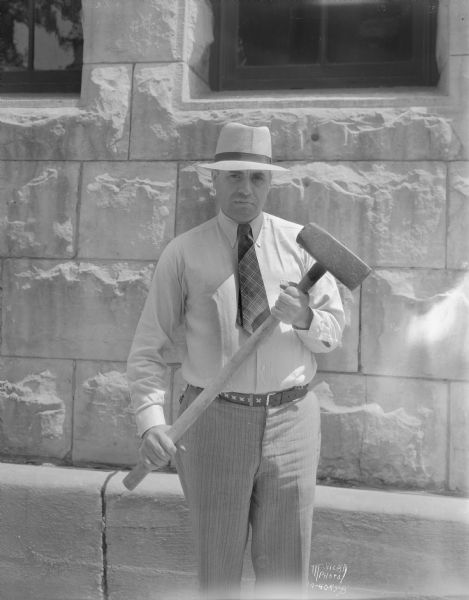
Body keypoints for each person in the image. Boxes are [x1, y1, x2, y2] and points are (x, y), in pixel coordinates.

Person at [127, 122, 345, 598]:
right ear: (214, 180)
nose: (246, 189)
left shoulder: (303, 248)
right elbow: (148, 348)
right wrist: (150, 422)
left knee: (287, 568)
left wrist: (306, 316)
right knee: (218, 569)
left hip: (293, 422)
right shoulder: (182, 254)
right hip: (210, 424)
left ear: (270, 182)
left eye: (257, 178)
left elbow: (332, 337)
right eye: (233, 177)